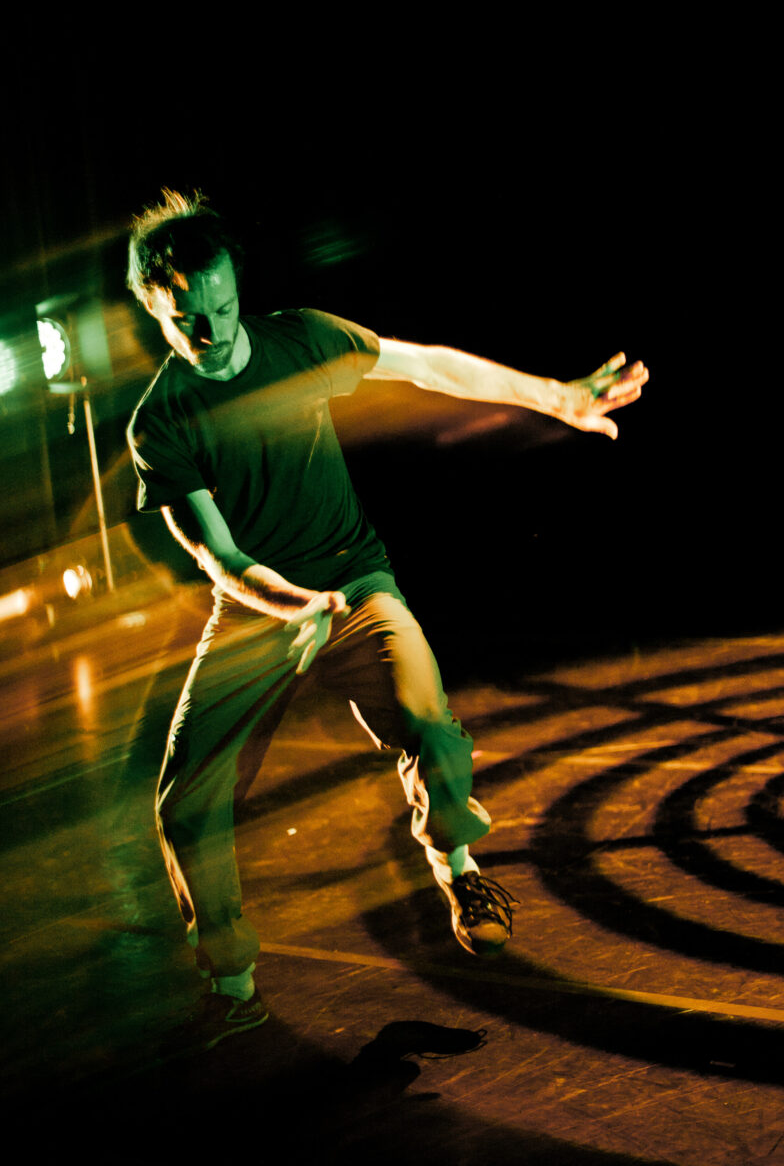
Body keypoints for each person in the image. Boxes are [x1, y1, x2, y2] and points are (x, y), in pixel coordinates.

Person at [126, 189, 647, 1052]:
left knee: (428, 722)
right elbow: (219, 556)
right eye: (186, 319)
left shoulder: (301, 342)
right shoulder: (161, 421)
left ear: (237, 288)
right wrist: (295, 608)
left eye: (221, 307)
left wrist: (556, 397)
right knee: (186, 801)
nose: (210, 333)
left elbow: (428, 366)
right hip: (257, 613)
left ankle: (460, 872)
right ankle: (231, 984)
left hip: (354, 580)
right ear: (154, 308)